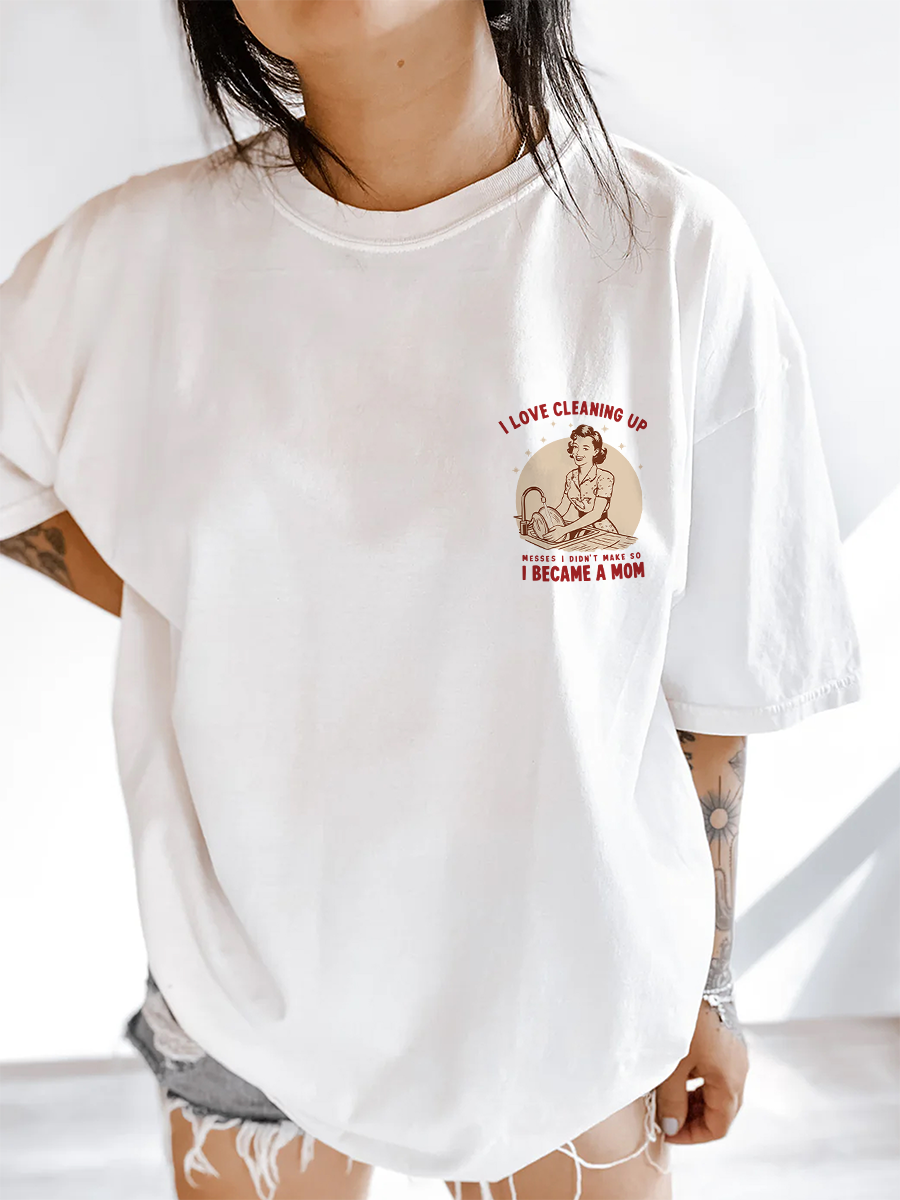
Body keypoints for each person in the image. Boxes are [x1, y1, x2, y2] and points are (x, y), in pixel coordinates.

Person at [0, 2, 863, 1199]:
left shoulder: (667, 251)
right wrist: (201, 602)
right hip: (249, 983)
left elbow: (715, 681)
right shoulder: (138, 260)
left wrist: (709, 983)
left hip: (570, 993)